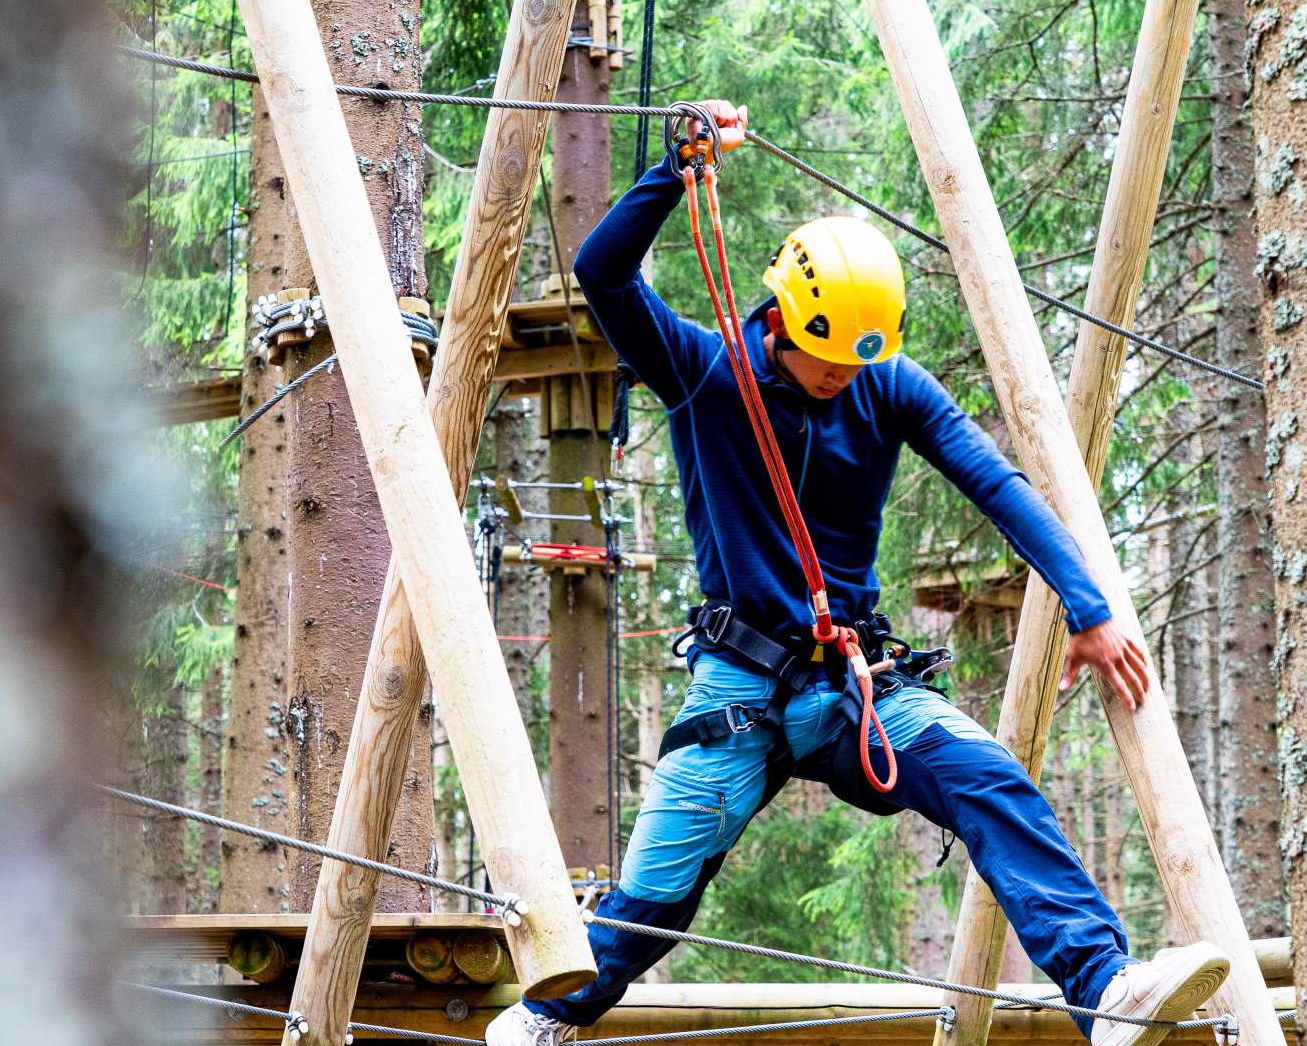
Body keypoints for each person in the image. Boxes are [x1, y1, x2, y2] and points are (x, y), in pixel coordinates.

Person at [486, 100, 1228, 1046]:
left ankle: (1102, 988)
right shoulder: (707, 374)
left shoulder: (888, 383)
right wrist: (676, 171)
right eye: (826, 358)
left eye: (858, 361)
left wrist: (1087, 606)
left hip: (855, 687)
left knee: (986, 778)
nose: (843, 378)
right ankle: (547, 1019)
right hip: (738, 686)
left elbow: (993, 482)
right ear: (785, 318)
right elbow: (604, 274)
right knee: (652, 905)